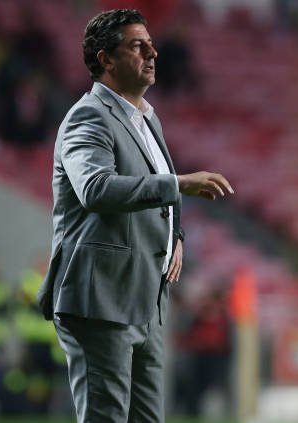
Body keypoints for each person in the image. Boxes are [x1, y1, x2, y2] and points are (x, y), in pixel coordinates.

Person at [37, 9, 234, 422]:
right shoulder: (88, 115)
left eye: (151, 45)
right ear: (106, 59)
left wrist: (176, 236)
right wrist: (178, 183)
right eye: (137, 46)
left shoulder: (147, 118)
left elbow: (156, 192)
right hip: (102, 299)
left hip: (147, 300)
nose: (152, 54)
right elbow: (95, 188)